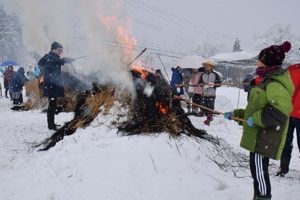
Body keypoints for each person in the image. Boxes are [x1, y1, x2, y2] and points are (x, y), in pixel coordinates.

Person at [225, 41, 294, 200]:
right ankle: (259, 197)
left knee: (260, 174)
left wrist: (255, 119)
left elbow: (278, 112)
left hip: (263, 138)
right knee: (257, 172)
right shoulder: (265, 81)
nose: (257, 61)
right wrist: (236, 114)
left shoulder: (274, 83)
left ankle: (263, 198)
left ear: (267, 62)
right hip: (259, 136)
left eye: (259, 59)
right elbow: (255, 112)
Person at [38, 41, 75, 130]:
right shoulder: (50, 57)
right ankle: (51, 125)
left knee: (53, 105)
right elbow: (54, 63)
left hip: (52, 85)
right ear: (53, 49)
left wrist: (64, 62)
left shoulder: (51, 58)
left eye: (61, 50)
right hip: (51, 86)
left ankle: (52, 123)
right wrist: (64, 60)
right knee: (52, 106)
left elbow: (55, 64)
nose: (60, 52)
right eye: (59, 50)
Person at [275, 63, 300, 177]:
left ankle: (283, 169)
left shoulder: (291, 69)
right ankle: (283, 169)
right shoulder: (291, 69)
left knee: (287, 142)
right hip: (289, 112)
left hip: (292, 112)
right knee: (285, 141)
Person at [198, 61, 221, 125]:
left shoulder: (215, 75)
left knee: (210, 107)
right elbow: (199, 83)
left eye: (208, 65)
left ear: (211, 67)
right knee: (203, 107)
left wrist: (213, 85)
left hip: (212, 94)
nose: (207, 67)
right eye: (206, 65)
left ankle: (208, 119)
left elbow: (219, 83)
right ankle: (209, 117)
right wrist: (204, 85)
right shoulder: (203, 75)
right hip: (204, 93)